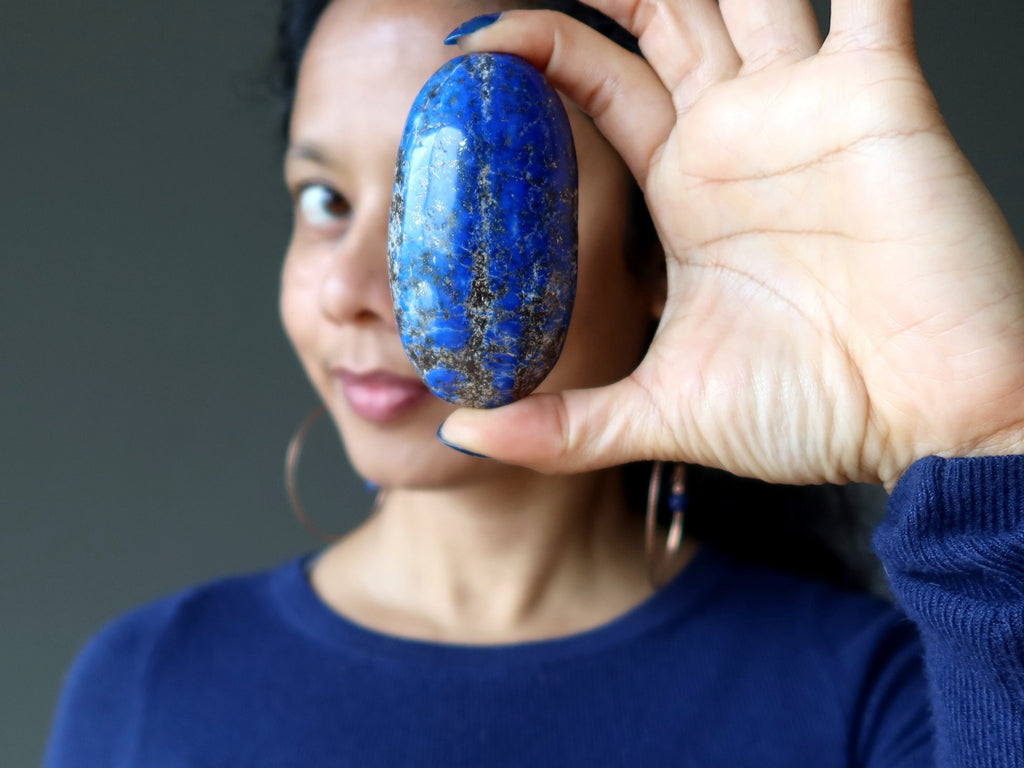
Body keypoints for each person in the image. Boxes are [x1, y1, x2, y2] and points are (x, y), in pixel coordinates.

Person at [45, 0, 1024, 766]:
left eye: (465, 194)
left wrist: (990, 432)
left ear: (664, 250)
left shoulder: (879, 700)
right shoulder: (147, 688)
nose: (350, 289)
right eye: (324, 200)